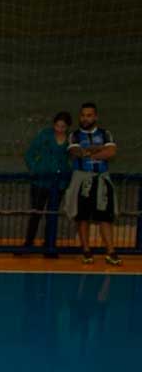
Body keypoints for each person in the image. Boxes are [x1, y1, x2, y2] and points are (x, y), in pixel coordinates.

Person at [64, 102, 120, 265]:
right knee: (82, 217)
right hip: (82, 179)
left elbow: (111, 152)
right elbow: (76, 152)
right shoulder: (74, 135)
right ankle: (86, 250)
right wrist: (98, 149)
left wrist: (89, 151)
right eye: (83, 115)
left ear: (95, 116)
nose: (85, 118)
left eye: (89, 115)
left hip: (101, 178)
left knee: (105, 218)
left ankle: (111, 252)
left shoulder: (105, 133)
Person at [22, 111, 72, 256]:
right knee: (36, 212)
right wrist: (35, 169)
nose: (59, 129)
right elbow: (30, 153)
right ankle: (28, 244)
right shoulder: (44, 135)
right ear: (53, 124)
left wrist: (68, 172)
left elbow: (75, 158)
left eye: (63, 127)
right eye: (57, 126)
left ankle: (49, 245)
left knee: (52, 214)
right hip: (40, 181)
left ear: (68, 127)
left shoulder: (71, 139)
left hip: (59, 183)